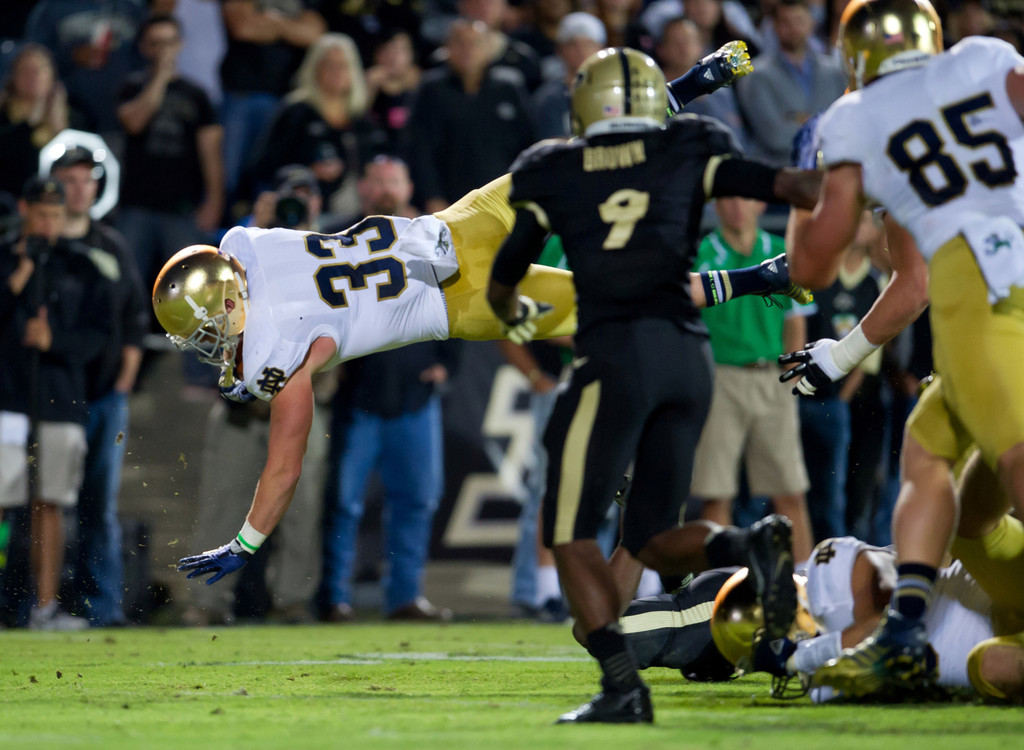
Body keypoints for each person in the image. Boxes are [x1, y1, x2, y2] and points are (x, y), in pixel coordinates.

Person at [158, 53, 818, 619]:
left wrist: (245, 542)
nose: (210, 343)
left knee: (622, 295)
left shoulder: (279, 346)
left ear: (225, 301)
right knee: (579, 162)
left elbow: (285, 462)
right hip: (453, 227)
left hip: (462, 298)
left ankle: (762, 276)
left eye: (205, 329)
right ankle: (682, 89)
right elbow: (240, 246)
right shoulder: (246, 247)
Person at [485, 47, 818, 723]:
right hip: (690, 359)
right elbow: (798, 191)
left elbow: (504, 279)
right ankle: (742, 545)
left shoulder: (554, 168)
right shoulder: (688, 149)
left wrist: (512, 316)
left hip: (616, 356)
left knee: (569, 532)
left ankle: (622, 689)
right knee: (649, 535)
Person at [784, 0, 1024, 695]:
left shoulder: (854, 118)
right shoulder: (984, 59)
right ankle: (902, 633)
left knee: (1012, 459)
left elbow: (814, 268)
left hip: (979, 295)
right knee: (926, 444)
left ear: (855, 60)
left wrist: (806, 190)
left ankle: (902, 635)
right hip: (1003, 264)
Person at [322, 156, 458, 622]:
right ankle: (332, 596)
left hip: (414, 395)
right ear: (362, 186)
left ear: (408, 185)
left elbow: (458, 295)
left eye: (392, 180)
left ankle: (403, 597)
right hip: (357, 395)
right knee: (342, 503)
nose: (384, 188)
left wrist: (447, 364)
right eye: (376, 179)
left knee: (416, 501)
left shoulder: (431, 235)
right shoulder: (337, 237)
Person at [0, 176, 112, 630]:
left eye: (55, 213)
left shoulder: (84, 266)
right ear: (25, 209)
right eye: (41, 212)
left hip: (61, 396)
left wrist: (55, 340)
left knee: (52, 501)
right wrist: (17, 279)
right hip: (7, 396)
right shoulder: (5, 258)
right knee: (3, 500)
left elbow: (100, 338)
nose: (48, 222)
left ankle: (45, 606)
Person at [50, 146, 147, 627]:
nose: (78, 188)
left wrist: (124, 384)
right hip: (50, 397)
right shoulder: (40, 247)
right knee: (43, 504)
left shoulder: (113, 246)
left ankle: (102, 608)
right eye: (69, 179)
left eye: (86, 179)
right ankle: (36, 603)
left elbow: (134, 321)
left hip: (105, 395)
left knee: (99, 506)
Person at [690, 196, 813, 563]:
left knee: (789, 491)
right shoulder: (699, 254)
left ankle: (806, 586)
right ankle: (720, 589)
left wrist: (791, 380)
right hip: (719, 378)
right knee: (716, 494)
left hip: (772, 376)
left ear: (760, 204)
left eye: (744, 197)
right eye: (726, 198)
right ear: (716, 206)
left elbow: (796, 321)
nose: (736, 206)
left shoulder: (781, 250)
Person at [116, 13, 224, 292]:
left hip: (182, 206)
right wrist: (160, 78)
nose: (163, 49)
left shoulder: (197, 95)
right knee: (128, 281)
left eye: (169, 42)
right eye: (156, 43)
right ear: (144, 47)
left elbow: (210, 151)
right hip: (136, 202)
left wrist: (214, 200)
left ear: (180, 44)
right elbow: (134, 121)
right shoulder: (132, 86)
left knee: (188, 284)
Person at [250, 33, 377, 228]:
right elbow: (263, 165)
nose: (337, 72)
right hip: (300, 216)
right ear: (314, 68)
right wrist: (307, 173)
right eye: (329, 65)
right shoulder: (295, 111)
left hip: (355, 215)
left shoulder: (361, 118)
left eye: (343, 65)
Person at [733, 0, 846, 167]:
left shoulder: (835, 71)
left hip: (829, 171)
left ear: (811, 23)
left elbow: (846, 123)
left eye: (799, 21)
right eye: (786, 22)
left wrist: (798, 119)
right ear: (775, 27)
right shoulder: (755, 75)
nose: (794, 29)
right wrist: (824, 123)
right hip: (779, 175)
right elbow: (775, 136)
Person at [0, 44, 68, 206]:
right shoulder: (3, 117)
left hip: (58, 205)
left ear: (52, 75)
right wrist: (31, 124)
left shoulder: (75, 115)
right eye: (25, 70)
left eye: (39, 70)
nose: (33, 76)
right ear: (13, 77)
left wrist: (59, 126)